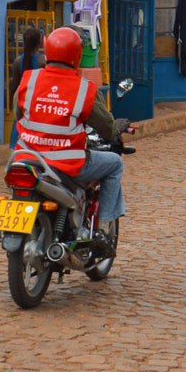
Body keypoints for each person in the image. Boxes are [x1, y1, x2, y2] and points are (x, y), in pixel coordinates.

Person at [12, 25, 130, 249]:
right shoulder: (84, 90)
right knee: (114, 164)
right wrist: (118, 127)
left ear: (48, 52)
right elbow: (106, 127)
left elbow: (18, 112)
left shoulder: (30, 80)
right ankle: (104, 227)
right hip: (66, 165)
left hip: (27, 159)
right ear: (77, 56)